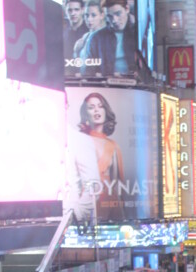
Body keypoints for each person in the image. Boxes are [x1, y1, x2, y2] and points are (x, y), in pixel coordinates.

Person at [78, 92, 125, 221]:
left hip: (109, 202)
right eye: (91, 107)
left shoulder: (113, 146)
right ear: (85, 114)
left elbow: (118, 184)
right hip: (86, 201)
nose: (96, 110)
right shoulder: (78, 141)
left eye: (100, 106)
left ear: (106, 111)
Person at [87, 0, 136, 77]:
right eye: (109, 16)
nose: (114, 20)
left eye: (118, 14)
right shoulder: (96, 39)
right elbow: (89, 71)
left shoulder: (138, 34)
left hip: (135, 85)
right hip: (106, 86)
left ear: (127, 9)